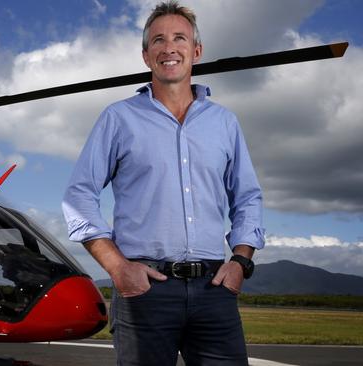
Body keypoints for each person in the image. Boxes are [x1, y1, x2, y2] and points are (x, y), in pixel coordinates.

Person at [62, 1, 265, 365]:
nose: (169, 47)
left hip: (214, 287)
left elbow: (247, 197)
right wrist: (117, 268)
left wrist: (240, 262)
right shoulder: (118, 118)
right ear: (146, 55)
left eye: (179, 38)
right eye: (158, 40)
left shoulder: (225, 123)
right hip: (145, 290)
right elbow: (79, 194)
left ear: (196, 51)